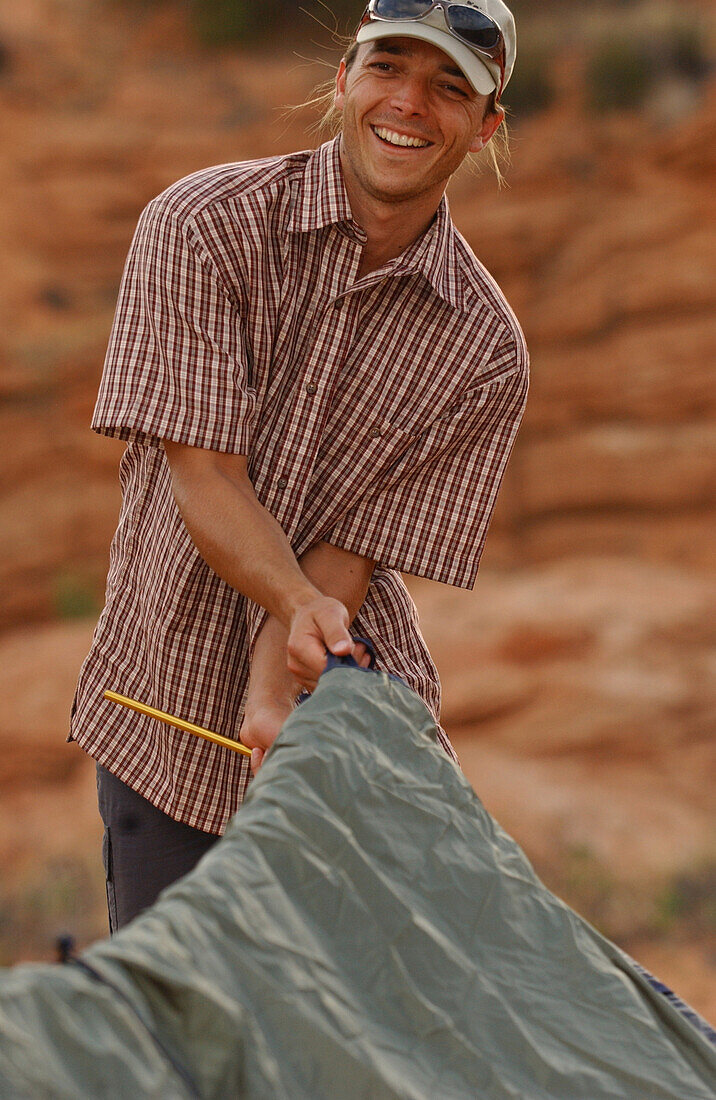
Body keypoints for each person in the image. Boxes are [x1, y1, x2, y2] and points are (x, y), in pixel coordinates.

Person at [70, 0, 528, 932]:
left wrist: (280, 690)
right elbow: (203, 471)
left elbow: (350, 548)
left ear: (485, 129)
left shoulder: (486, 350)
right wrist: (292, 614)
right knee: (186, 1055)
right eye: (388, 68)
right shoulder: (202, 225)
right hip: (161, 720)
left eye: (449, 87)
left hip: (343, 749)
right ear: (343, 83)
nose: (409, 103)